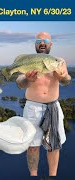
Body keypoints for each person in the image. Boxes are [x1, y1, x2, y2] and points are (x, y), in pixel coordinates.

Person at [16, 32, 72, 176]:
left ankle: (52, 176)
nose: (42, 43)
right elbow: (20, 83)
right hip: (32, 108)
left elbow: (67, 80)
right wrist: (28, 80)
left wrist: (62, 77)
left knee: (54, 146)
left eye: (45, 40)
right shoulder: (29, 60)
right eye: (39, 41)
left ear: (50, 44)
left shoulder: (59, 61)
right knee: (32, 146)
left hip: (53, 106)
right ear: (35, 44)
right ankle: (33, 175)